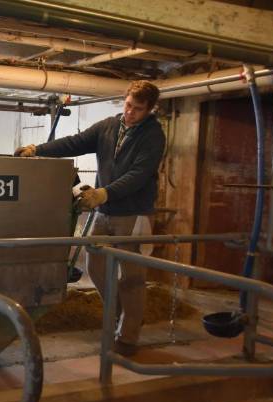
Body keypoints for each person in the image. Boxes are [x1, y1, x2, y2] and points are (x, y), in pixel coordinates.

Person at [15, 80, 165, 356]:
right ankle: (124, 315)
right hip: (104, 211)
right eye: (129, 105)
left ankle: (128, 337)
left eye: (138, 109)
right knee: (94, 265)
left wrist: (103, 194)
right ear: (125, 99)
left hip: (133, 213)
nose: (130, 112)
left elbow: (139, 174)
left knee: (132, 276)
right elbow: (76, 142)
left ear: (150, 110)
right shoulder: (109, 126)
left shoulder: (153, 135)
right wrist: (38, 150)